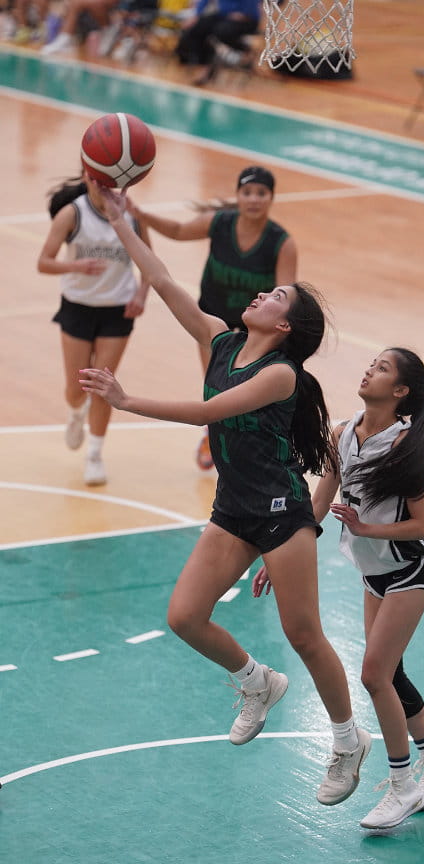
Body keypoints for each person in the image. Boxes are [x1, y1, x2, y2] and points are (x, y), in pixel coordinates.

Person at [79, 181, 371, 806]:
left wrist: (127, 401)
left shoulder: (280, 374)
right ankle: (256, 681)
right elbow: (160, 279)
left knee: (305, 634)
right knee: (184, 616)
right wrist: (122, 218)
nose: (260, 293)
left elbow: (204, 411)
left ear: (285, 324)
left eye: (274, 296)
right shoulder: (219, 340)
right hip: (234, 508)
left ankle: (348, 741)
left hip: (281, 514)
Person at [254, 347, 424, 830]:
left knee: (375, 675)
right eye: (373, 363)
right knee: (392, 673)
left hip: (414, 565)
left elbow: (420, 524)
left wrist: (366, 530)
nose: (371, 369)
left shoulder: (403, 446)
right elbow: (319, 501)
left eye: (383, 368)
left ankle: (403, 787)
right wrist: (279, 551)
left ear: (401, 392)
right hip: (375, 571)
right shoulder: (343, 434)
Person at [131, 164, 297, 470]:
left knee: (245, 393)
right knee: (217, 387)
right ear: (238, 196)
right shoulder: (220, 222)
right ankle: (212, 434)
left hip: (254, 328)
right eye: (247, 192)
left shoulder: (281, 242)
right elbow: (179, 231)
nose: (254, 199)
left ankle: (253, 441)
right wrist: (141, 215)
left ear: (271, 198)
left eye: (261, 193)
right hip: (213, 321)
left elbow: (286, 294)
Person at [37, 173, 151, 485]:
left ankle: (94, 455)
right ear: (89, 178)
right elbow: (43, 262)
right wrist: (75, 266)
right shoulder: (72, 213)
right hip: (78, 306)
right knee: (76, 389)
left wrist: (141, 296)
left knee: (103, 387)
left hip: (118, 310)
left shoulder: (131, 214)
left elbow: (149, 263)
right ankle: (75, 413)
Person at [174, 0, 260, 85]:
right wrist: (196, 16)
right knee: (199, 26)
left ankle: (243, 50)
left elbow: (252, 4)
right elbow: (204, 1)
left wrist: (245, 14)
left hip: (246, 19)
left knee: (220, 31)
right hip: (224, 16)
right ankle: (201, 64)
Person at [41, 0, 120, 54]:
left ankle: (108, 30)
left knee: (93, 3)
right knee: (75, 2)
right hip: (88, 8)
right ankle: (62, 41)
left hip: (115, 8)